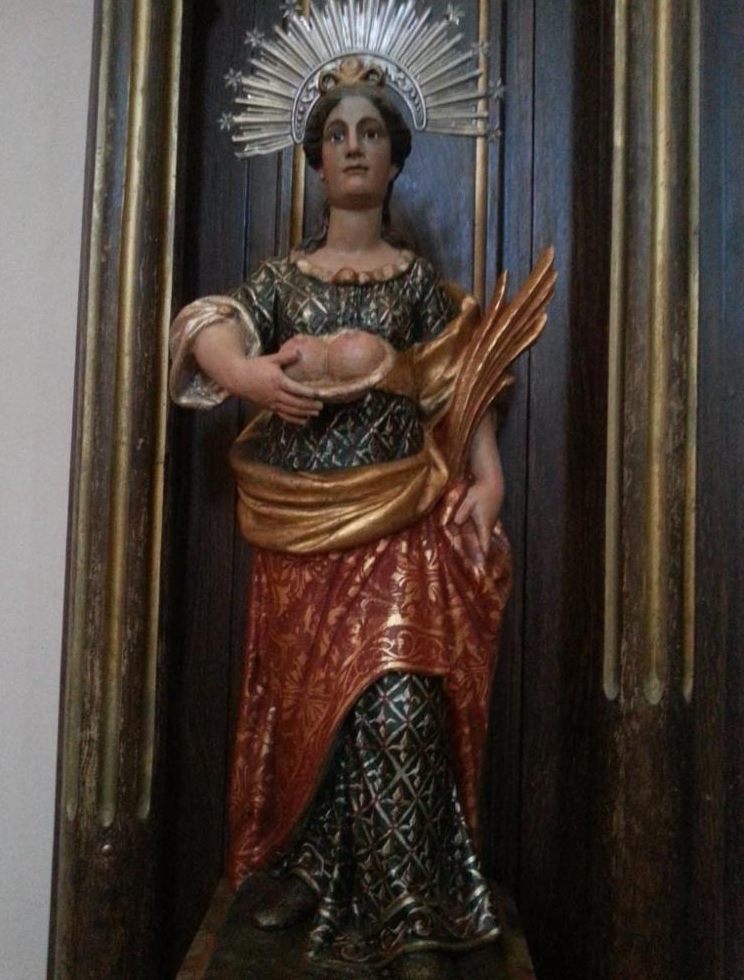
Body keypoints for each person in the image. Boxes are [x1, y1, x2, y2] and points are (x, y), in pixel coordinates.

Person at [170, 77, 531, 980]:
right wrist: (246, 377)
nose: (355, 146)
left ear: (396, 158)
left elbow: (462, 386)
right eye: (338, 135)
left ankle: (409, 913)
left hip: (401, 522)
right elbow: (206, 323)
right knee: (312, 718)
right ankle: (313, 867)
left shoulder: (418, 288)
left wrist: (489, 479)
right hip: (301, 537)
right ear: (318, 160)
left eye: (372, 132)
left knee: (401, 701)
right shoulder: (283, 282)